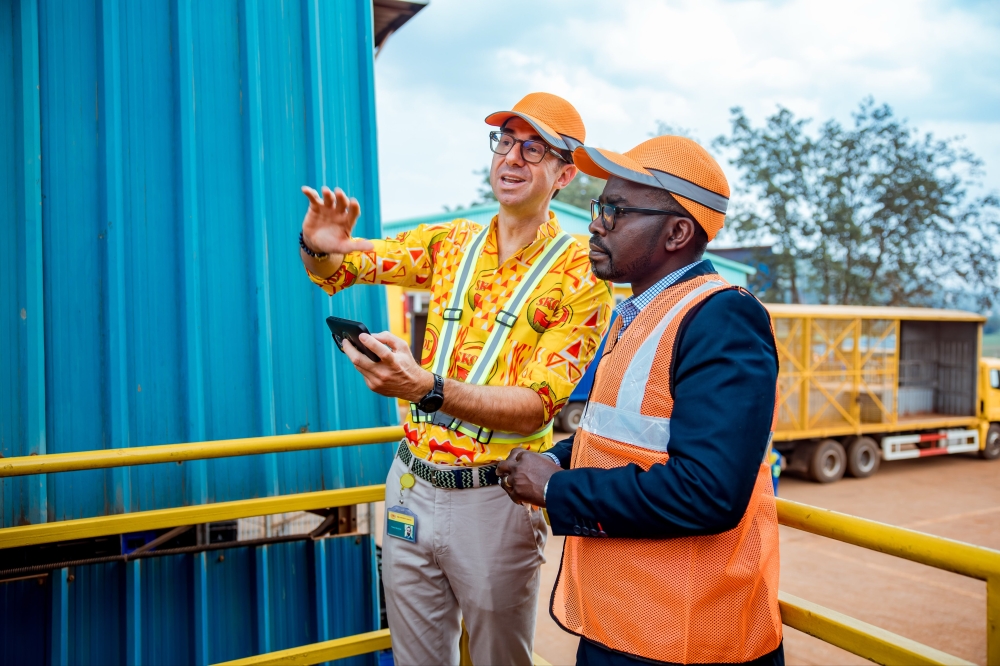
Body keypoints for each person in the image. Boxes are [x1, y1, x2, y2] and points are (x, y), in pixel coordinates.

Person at [298, 93, 614, 665]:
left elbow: (536, 406)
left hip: (494, 499)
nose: (512, 158)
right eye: (506, 142)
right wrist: (318, 247)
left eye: (533, 148)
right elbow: (346, 263)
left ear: (565, 173)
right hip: (410, 487)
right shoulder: (451, 244)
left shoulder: (582, 280)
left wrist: (426, 388)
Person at [498, 135, 783, 666]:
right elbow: (624, 435)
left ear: (677, 232)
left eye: (616, 210)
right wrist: (555, 458)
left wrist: (558, 487)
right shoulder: (641, 313)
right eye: (598, 206)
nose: (596, 223)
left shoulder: (722, 319)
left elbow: (709, 492)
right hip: (624, 625)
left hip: (689, 639)